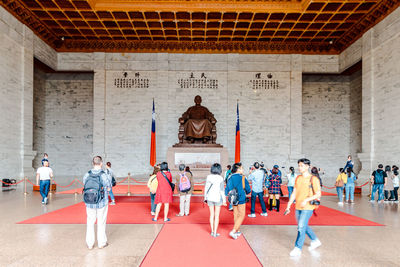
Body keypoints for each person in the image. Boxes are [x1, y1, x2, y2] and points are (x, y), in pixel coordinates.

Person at [285, 158, 322, 257]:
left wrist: (306, 200)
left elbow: (318, 194)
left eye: (302, 166)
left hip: (308, 207)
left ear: (307, 166)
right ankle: (315, 240)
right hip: (298, 206)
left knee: (301, 227)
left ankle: (298, 248)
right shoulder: (298, 178)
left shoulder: (313, 179)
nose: (299, 168)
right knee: (303, 225)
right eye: (299, 165)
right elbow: (294, 192)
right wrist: (289, 205)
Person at [83, 156, 111, 249]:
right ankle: (101, 243)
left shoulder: (87, 174)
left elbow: (85, 184)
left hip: (89, 201)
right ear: (101, 163)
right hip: (101, 201)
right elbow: (109, 187)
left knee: (90, 222)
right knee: (101, 221)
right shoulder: (103, 174)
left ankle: (90, 244)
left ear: (92, 163)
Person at [225, 162, 251, 240]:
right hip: (241, 198)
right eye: (242, 168)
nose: (243, 169)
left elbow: (227, 190)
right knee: (242, 214)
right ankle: (233, 231)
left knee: (236, 214)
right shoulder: (243, 177)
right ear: (238, 169)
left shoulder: (230, 177)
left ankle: (238, 230)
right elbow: (248, 189)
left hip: (233, 198)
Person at [204, 163, 227, 237]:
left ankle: (212, 231)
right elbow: (222, 190)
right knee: (216, 216)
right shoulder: (220, 178)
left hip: (210, 198)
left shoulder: (208, 177)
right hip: (217, 198)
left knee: (211, 215)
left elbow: (206, 188)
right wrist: (224, 200)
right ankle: (215, 233)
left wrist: (205, 198)